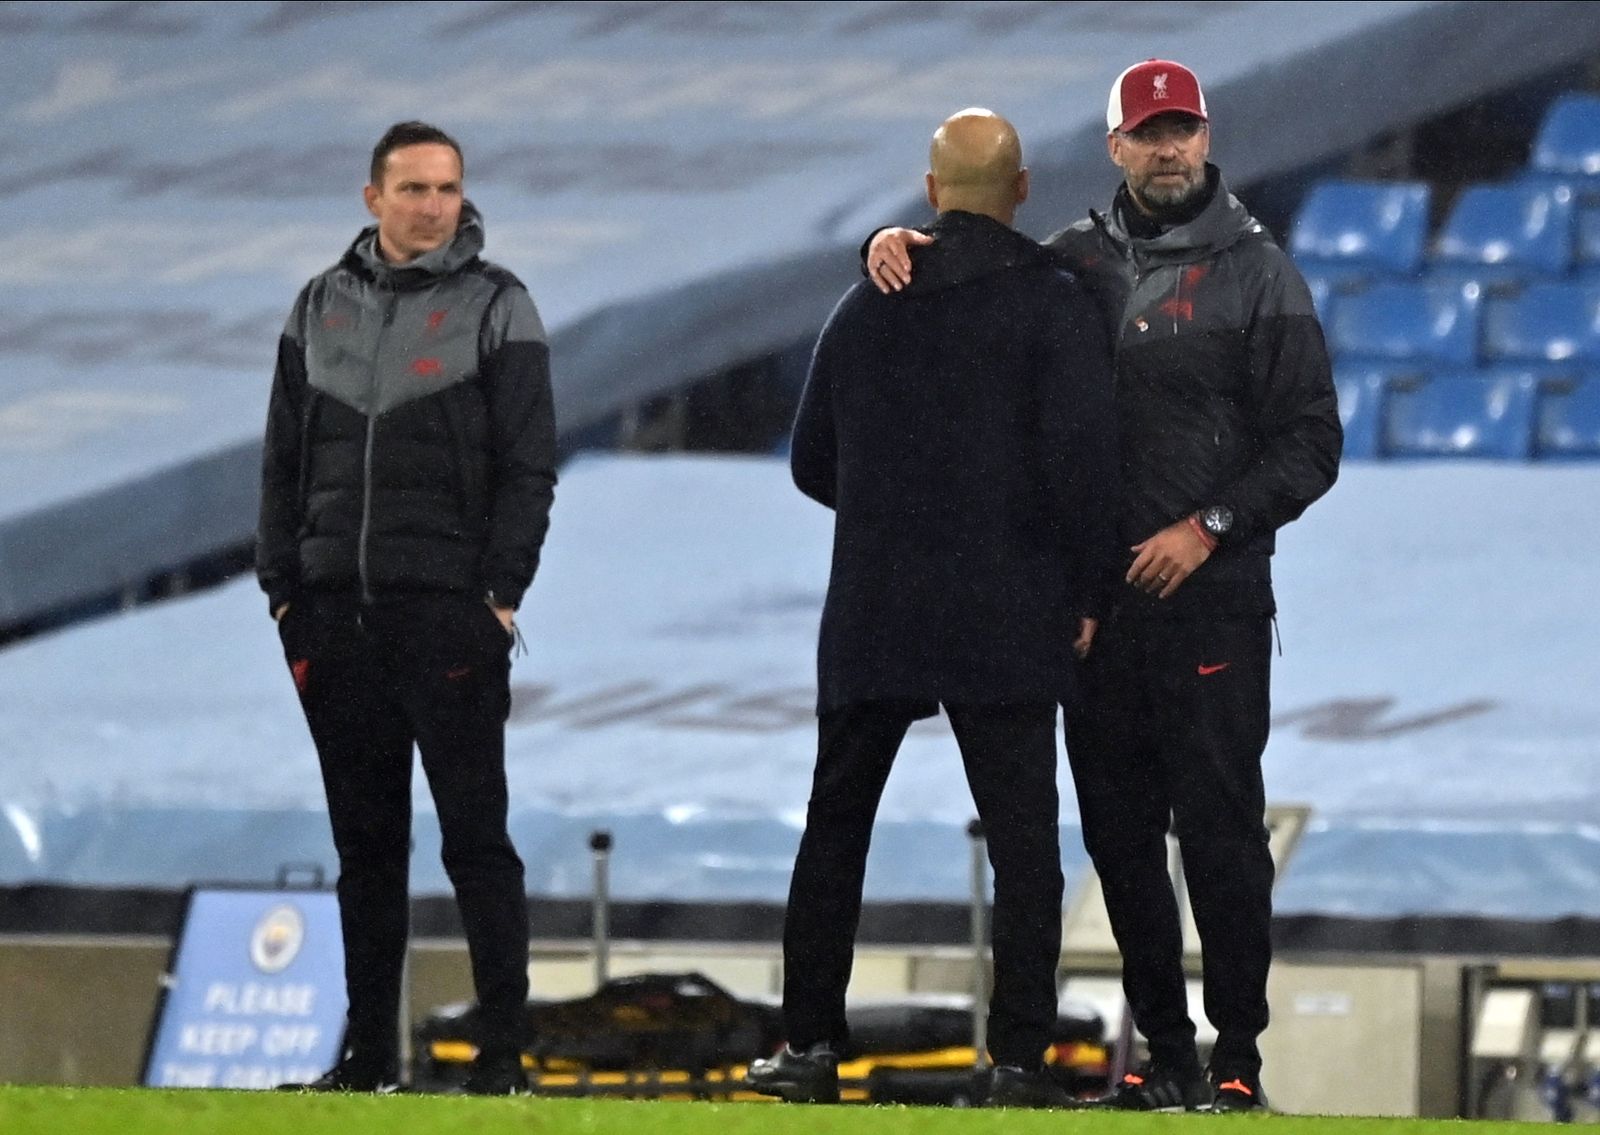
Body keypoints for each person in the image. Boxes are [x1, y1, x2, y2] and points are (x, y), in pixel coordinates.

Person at [865, 60, 1342, 1112]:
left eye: (1185, 131)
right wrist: (892, 245)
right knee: (1120, 840)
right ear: (1116, 146)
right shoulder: (1071, 261)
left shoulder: (1260, 274)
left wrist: (1206, 528)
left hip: (1212, 601)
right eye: (1149, 132)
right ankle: (1165, 1056)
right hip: (1097, 613)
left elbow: (1311, 443)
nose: (1169, 148)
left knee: (1220, 835)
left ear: (1206, 139)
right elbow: (974, 285)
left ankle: (1236, 1060)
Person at [746, 109, 1119, 1110]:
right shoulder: (1054, 303)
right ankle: (1017, 1059)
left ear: (928, 187)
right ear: (1024, 189)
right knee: (1023, 842)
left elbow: (811, 461)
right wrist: (1084, 592)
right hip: (1009, 603)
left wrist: (889, 512)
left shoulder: (868, 302)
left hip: (879, 602)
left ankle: (809, 1047)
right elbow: (1084, 466)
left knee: (836, 827)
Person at [257, 120, 557, 1095]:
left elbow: (530, 468)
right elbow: (279, 465)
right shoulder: (315, 308)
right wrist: (284, 596)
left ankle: (503, 1057)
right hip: (334, 617)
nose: (434, 206)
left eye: (447, 189)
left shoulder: (499, 305)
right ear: (372, 197)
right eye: (414, 188)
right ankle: (367, 1062)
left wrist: (500, 597)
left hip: (449, 618)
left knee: (476, 836)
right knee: (364, 846)